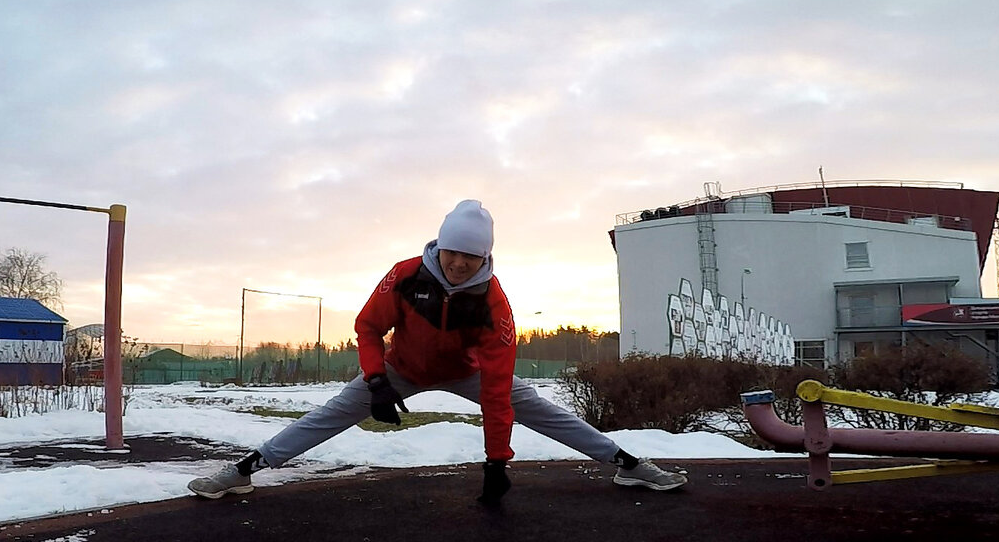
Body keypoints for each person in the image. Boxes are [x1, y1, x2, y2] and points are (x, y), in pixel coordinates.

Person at [188, 199, 686, 505]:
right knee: (330, 414)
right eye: (453, 252)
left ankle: (628, 464)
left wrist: (496, 463)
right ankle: (243, 472)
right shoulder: (405, 275)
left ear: (485, 257)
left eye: (472, 256)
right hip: (400, 369)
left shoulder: (494, 303)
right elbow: (366, 327)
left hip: (463, 372)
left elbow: (495, 391)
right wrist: (377, 381)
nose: (459, 263)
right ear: (439, 246)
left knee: (533, 405)